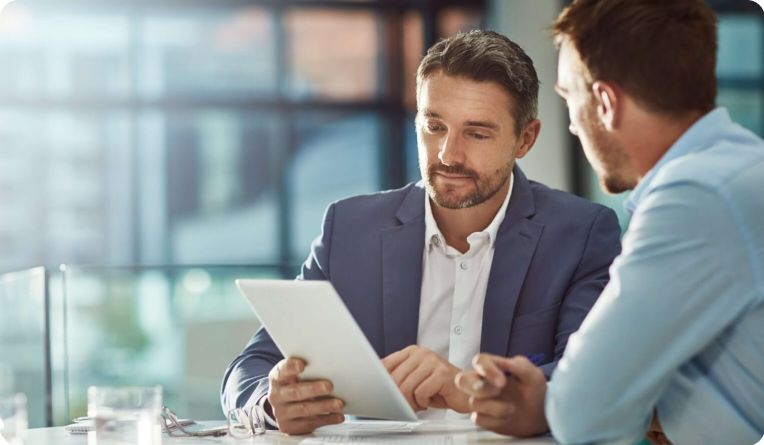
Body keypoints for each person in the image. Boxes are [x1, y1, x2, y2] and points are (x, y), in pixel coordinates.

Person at [221, 30, 621, 435]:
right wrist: (271, 402)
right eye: (434, 126)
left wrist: (466, 389)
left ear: (525, 139)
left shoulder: (582, 234)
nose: (448, 155)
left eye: (477, 134)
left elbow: (591, 379)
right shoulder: (350, 229)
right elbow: (248, 368)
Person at [455, 2, 764, 444]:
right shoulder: (738, 168)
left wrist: (557, 402)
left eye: (569, 99)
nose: (574, 127)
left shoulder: (696, 195)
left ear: (604, 102)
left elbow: (584, 415)